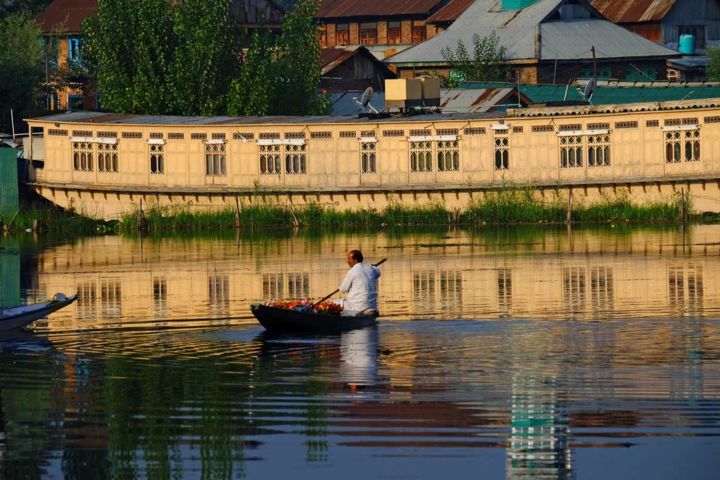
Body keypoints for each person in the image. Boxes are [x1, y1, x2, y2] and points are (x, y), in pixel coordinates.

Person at [338, 250, 381, 315]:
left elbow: (343, 289)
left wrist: (340, 285)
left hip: (357, 308)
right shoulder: (371, 269)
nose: (348, 261)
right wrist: (372, 267)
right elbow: (378, 272)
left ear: (355, 260)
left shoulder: (352, 271)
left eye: (349, 259)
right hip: (372, 307)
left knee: (336, 304)